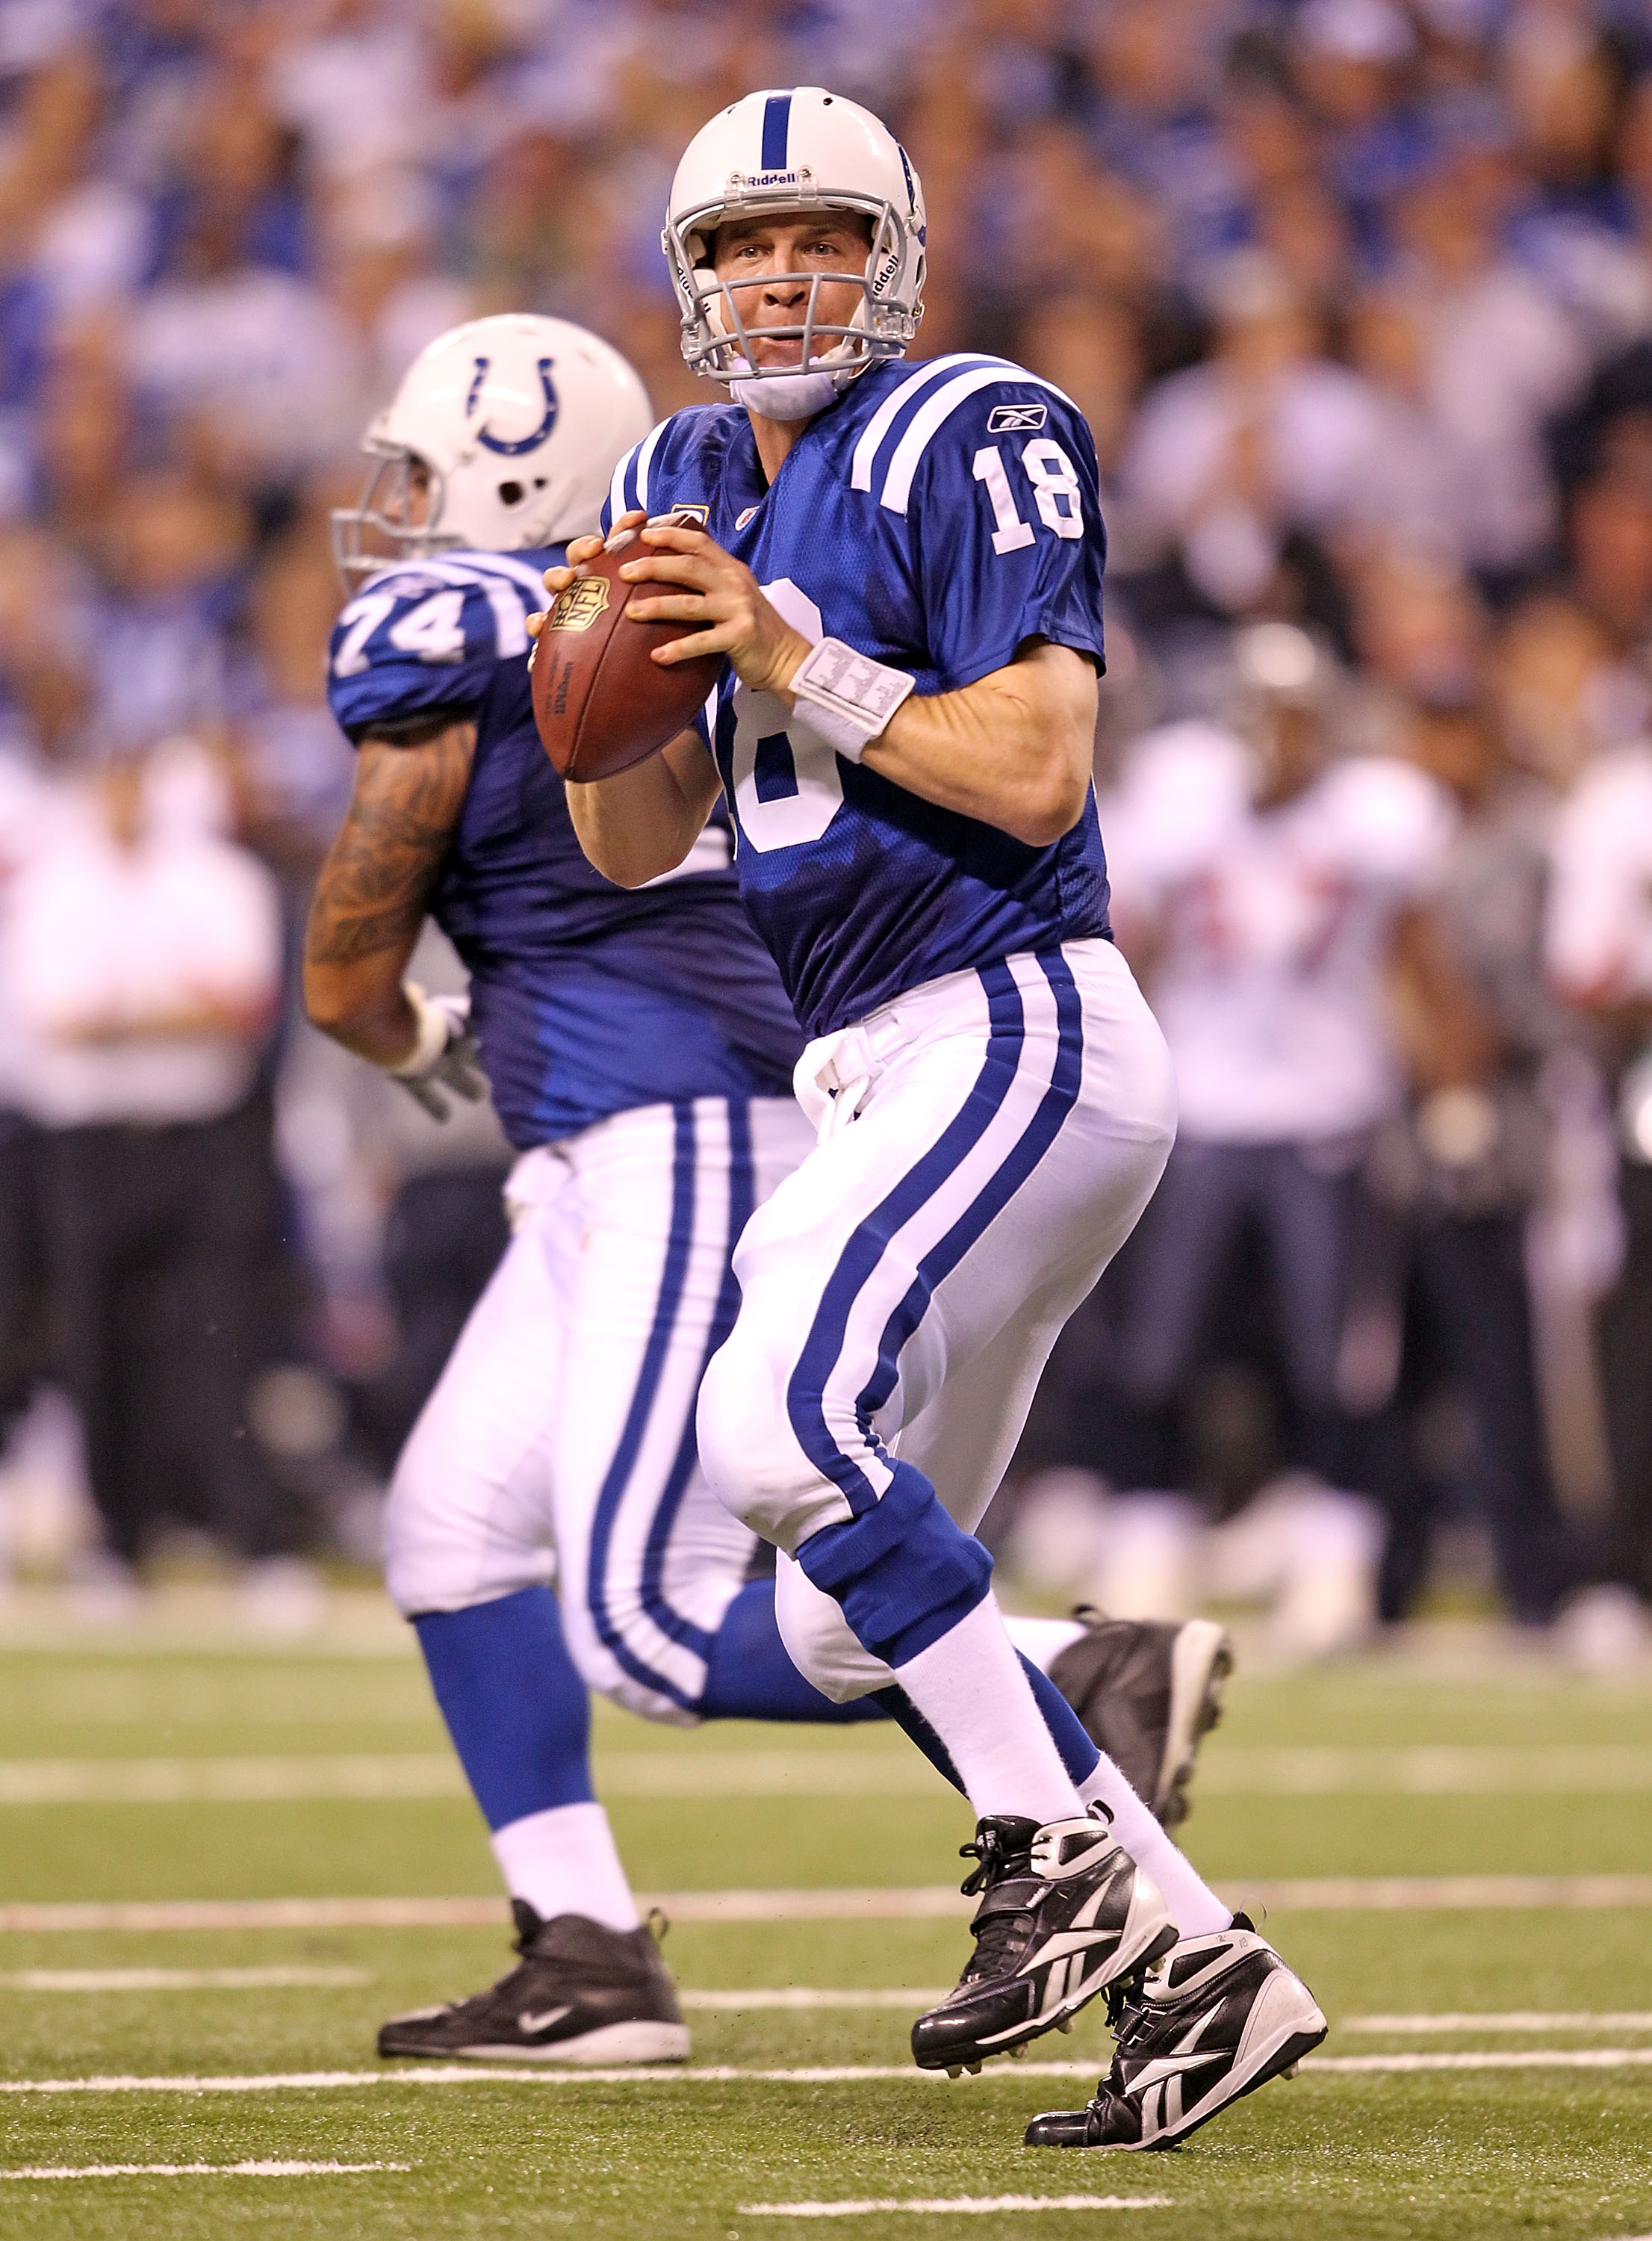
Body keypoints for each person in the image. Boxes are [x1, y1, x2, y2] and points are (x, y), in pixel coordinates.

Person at [305, 312, 1228, 2071]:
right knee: (449, 1528)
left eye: (429, 472)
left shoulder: (486, 625)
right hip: (638, 1127)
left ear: (513, 468)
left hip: (685, 1121)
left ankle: (1052, 1672)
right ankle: (582, 1947)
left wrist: (409, 1031)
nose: (403, 513)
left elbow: (343, 981)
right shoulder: (696, 577)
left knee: (655, 1610)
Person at [544, 86, 1323, 2148]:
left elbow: (1040, 769)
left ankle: (1042, 1850)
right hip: (875, 1066)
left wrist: (797, 652)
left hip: (1013, 1020)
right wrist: (591, 677)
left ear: (889, 254)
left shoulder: (968, 422)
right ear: (688, 275)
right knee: (846, 1608)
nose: (777, 274)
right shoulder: (678, 470)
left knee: (765, 1420)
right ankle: (1197, 1970)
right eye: (736, 244)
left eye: (814, 235)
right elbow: (634, 844)